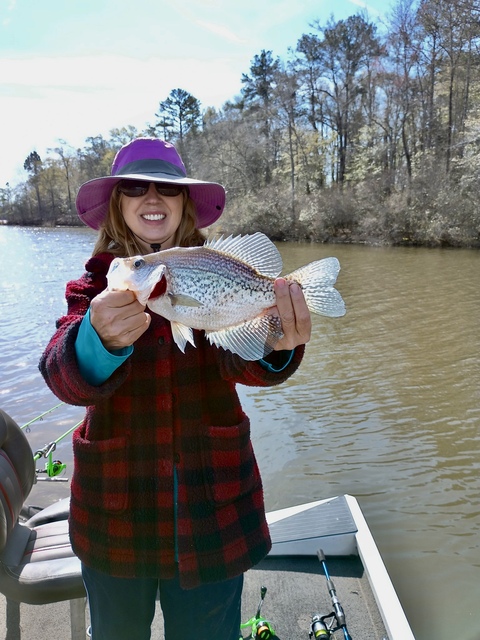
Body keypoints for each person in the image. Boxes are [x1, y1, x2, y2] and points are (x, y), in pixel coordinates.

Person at [39, 137, 311, 640]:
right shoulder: (93, 289)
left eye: (167, 187)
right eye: (135, 187)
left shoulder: (213, 270)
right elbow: (60, 376)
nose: (152, 197)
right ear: (118, 206)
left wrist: (278, 342)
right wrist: (95, 343)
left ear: (185, 204)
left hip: (214, 515)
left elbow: (247, 363)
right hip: (116, 517)